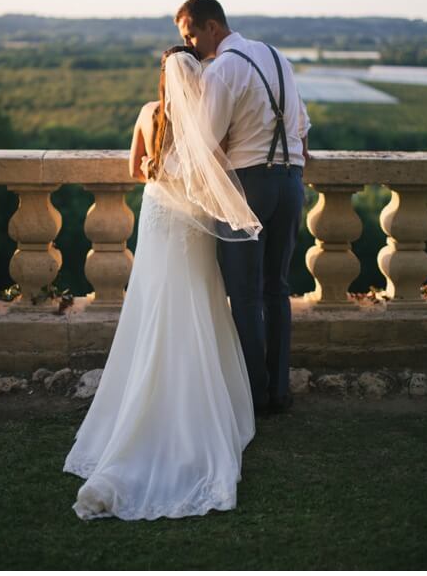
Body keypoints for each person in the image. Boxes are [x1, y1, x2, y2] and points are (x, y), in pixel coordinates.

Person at [63, 45, 261, 521]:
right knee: (198, 300)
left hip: (156, 211)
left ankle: (138, 411)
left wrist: (158, 169)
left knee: (152, 303)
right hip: (191, 220)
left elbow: (135, 169)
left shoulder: (148, 113)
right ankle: (199, 415)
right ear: (198, 79)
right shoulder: (210, 123)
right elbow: (217, 175)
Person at [176, 0, 311, 415]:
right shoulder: (277, 57)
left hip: (249, 185)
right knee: (278, 289)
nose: (191, 45)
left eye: (191, 34)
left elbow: (204, 143)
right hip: (291, 182)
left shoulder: (223, 69)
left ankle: (253, 396)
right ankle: (279, 391)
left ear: (211, 26)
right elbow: (303, 129)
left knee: (246, 295)